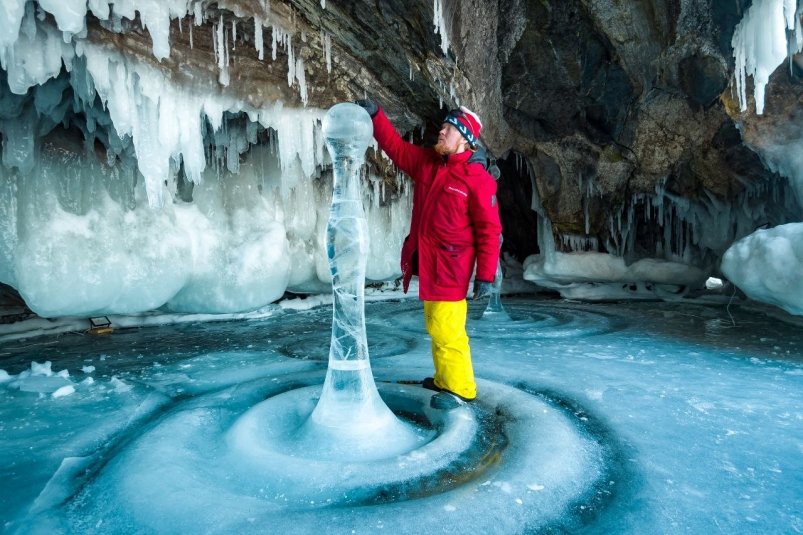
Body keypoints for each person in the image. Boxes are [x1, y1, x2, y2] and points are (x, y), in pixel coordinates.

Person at [356, 99, 502, 406]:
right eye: (443, 127)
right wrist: (377, 115)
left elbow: (489, 233)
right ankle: (443, 379)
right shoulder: (428, 162)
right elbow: (395, 147)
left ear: (464, 138)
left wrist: (485, 277)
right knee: (437, 324)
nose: (441, 132)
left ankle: (461, 389)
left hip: (452, 267)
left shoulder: (478, 180)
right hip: (430, 263)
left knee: (448, 331)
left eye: (449, 129)